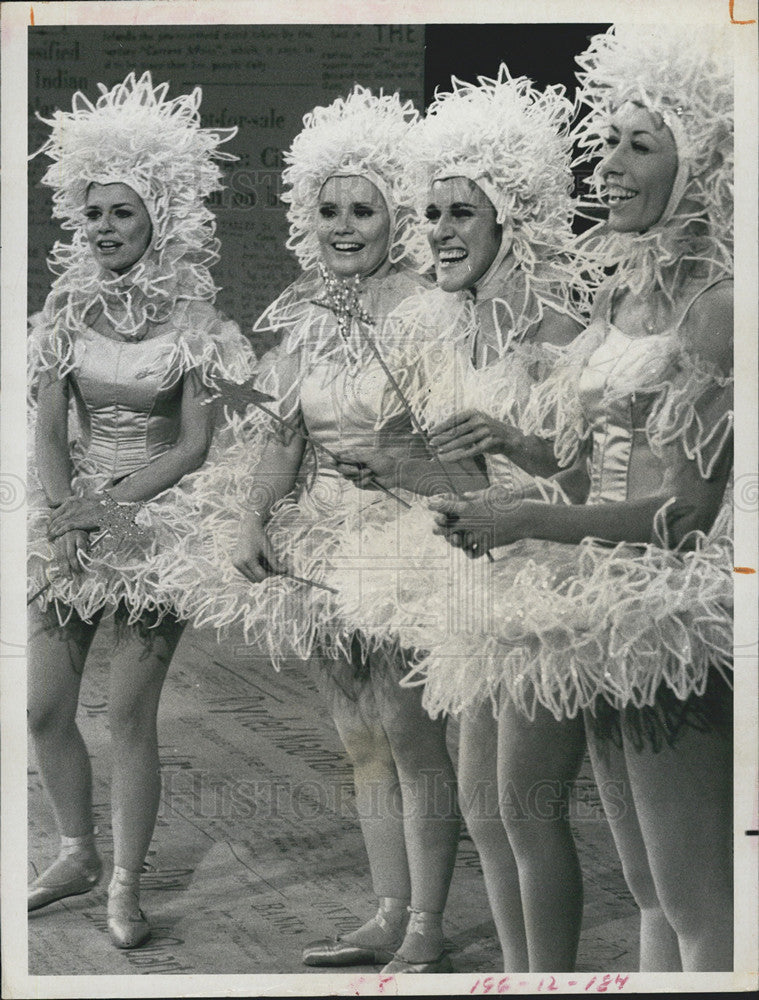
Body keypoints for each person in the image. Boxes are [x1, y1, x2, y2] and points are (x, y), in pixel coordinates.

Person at [425, 25, 734, 972]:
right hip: (595, 603)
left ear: (702, 164)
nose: (609, 163)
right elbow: (590, 468)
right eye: (605, 142)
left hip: (666, 609)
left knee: (698, 902)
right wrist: (517, 449)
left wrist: (525, 520)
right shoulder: (616, 301)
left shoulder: (716, 307)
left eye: (639, 145)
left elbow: (681, 513)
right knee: (645, 890)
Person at [163, 86, 484, 973]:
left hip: (411, 540)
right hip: (326, 544)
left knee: (411, 733)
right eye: (331, 210)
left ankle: (427, 920)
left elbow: (465, 451)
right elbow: (281, 434)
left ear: (396, 218)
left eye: (365, 210)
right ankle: (385, 911)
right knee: (357, 735)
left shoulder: (428, 311)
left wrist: (408, 473)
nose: (345, 227)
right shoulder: (306, 315)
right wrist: (253, 515)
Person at [329, 67, 596, 972]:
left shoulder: (557, 330)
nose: (440, 231)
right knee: (484, 812)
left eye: (460, 212)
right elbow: (461, 468)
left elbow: (585, 479)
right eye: (432, 212)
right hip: (472, 573)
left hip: (541, 580)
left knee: (526, 811)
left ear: (508, 221)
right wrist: (398, 465)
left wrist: (515, 440)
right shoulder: (455, 327)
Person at [27, 72, 256, 949]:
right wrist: (66, 510)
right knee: (45, 708)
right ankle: (75, 851)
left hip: (155, 521)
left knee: (127, 716)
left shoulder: (195, 317)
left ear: (158, 217)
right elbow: (49, 425)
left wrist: (111, 509)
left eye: (121, 212)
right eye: (93, 214)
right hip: (70, 513)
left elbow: (194, 444)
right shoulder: (63, 307)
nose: (103, 229)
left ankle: (125, 882)